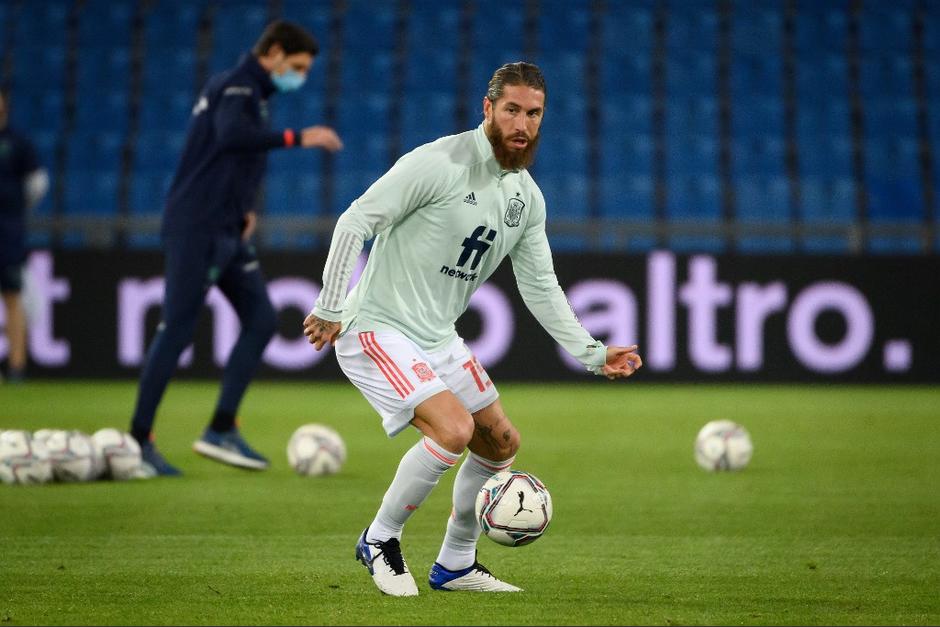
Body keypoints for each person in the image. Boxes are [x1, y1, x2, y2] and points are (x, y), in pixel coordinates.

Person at [303, 62, 642, 596]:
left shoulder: (526, 198)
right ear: (488, 109)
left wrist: (593, 354)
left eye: (533, 114)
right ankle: (379, 537)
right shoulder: (439, 162)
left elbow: (541, 285)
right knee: (454, 430)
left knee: (500, 442)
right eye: (512, 110)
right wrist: (328, 305)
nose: (522, 125)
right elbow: (355, 221)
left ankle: (456, 563)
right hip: (376, 329)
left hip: (437, 337)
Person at [130, 20, 343, 476]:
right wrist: (298, 137)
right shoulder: (238, 87)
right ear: (276, 52)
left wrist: (245, 206)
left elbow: (233, 159)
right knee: (177, 329)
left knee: (263, 318)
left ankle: (221, 427)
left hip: (226, 226)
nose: (300, 76)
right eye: (298, 66)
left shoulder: (251, 94)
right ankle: (137, 442)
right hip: (199, 226)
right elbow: (230, 139)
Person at [0, 91, 49, 384]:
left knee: (13, 297)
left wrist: (15, 208)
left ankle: (17, 365)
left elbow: (37, 184)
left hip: (7, 233)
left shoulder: (17, 143)